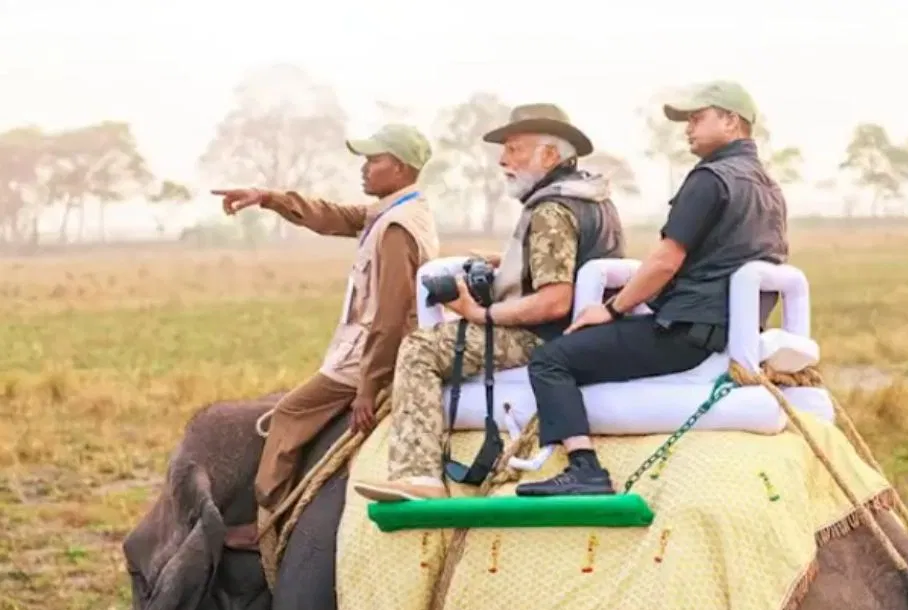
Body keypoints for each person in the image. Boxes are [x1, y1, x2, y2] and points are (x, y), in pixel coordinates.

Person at [515, 80, 789, 498]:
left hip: (687, 332)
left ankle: (584, 468)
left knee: (551, 360)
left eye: (697, 118)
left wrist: (612, 309)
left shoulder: (710, 179)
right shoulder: (767, 185)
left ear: (731, 121)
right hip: (728, 329)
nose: (688, 129)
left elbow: (664, 262)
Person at [352, 103, 625, 502]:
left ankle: (419, 477)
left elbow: (554, 301)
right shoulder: (593, 198)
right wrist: (507, 263)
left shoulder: (551, 209)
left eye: (514, 149)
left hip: (544, 334)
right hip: (580, 332)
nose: (502, 160)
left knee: (420, 347)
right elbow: (567, 264)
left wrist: (481, 313)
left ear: (550, 155)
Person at [211, 123, 440, 514]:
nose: (364, 168)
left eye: (374, 160)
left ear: (400, 168)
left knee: (289, 412)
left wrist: (368, 385)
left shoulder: (396, 228)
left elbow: (390, 316)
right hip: (368, 350)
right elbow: (329, 215)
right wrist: (266, 197)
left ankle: (271, 518)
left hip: (369, 357)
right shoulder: (395, 213)